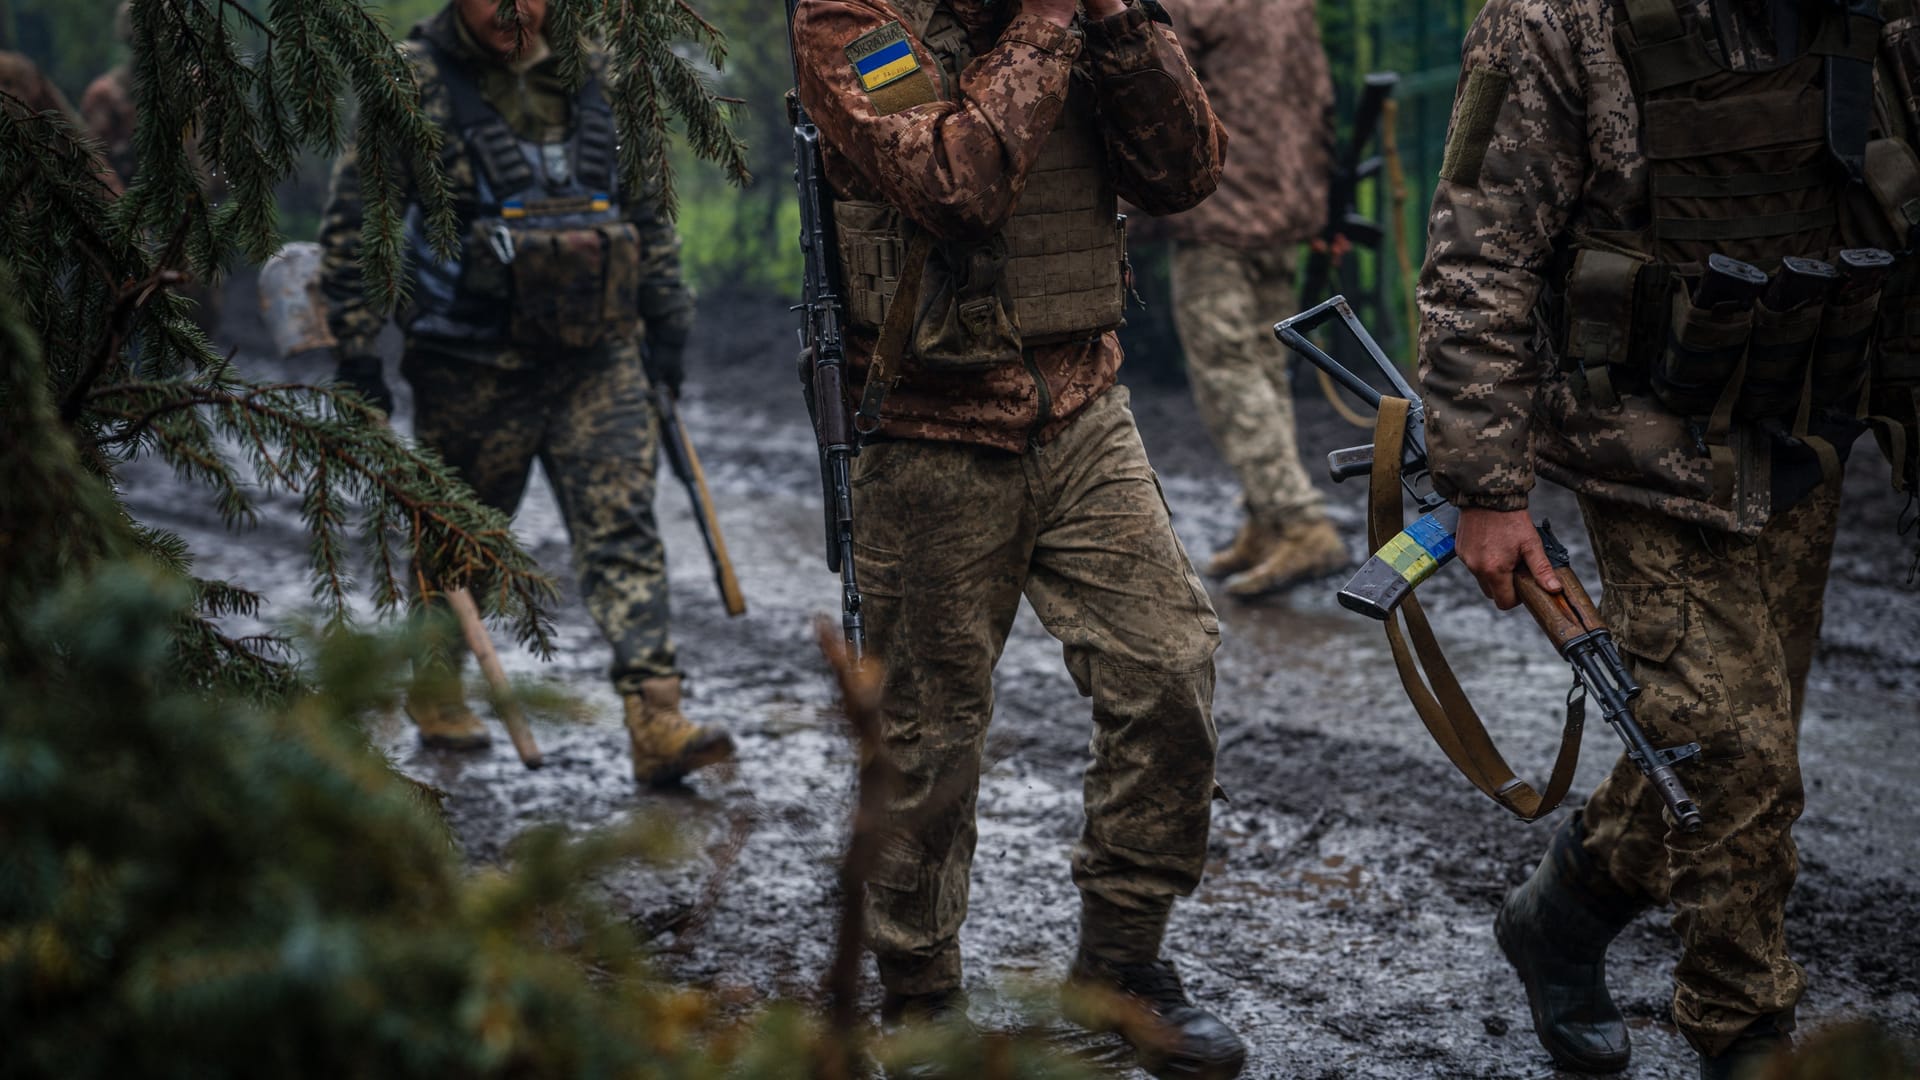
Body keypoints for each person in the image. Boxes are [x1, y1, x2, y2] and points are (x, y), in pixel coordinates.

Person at [1418, 0, 1920, 1076]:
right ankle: (1745, 1033)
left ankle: (1557, 922)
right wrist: (1486, 486)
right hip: (1642, 441)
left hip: (1804, 422)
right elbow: (1476, 258)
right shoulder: (1552, 20)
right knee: (1739, 757)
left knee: (1719, 741)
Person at [791, 0, 1244, 1075]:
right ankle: (919, 1005)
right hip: (926, 430)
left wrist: (1124, 28)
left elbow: (1186, 174)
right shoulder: (856, 19)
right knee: (925, 744)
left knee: (1170, 669)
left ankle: (1121, 971)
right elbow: (956, 181)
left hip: (1081, 402)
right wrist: (1048, 22)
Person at [317, 0, 734, 787]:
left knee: (624, 528)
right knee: (459, 539)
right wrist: (356, 353)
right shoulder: (411, 83)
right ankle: (437, 689)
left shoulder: (601, 69)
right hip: (471, 364)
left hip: (598, 359)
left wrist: (667, 325)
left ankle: (657, 719)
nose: (515, 10)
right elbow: (361, 224)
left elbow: (647, 211)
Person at [1160, 0, 1348, 597]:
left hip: (1218, 209)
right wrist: (1319, 202)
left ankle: (1299, 522)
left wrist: (1134, 215)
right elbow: (1320, 99)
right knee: (1264, 368)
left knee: (1229, 373)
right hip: (1285, 203)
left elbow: (1161, 107)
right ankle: (1265, 521)